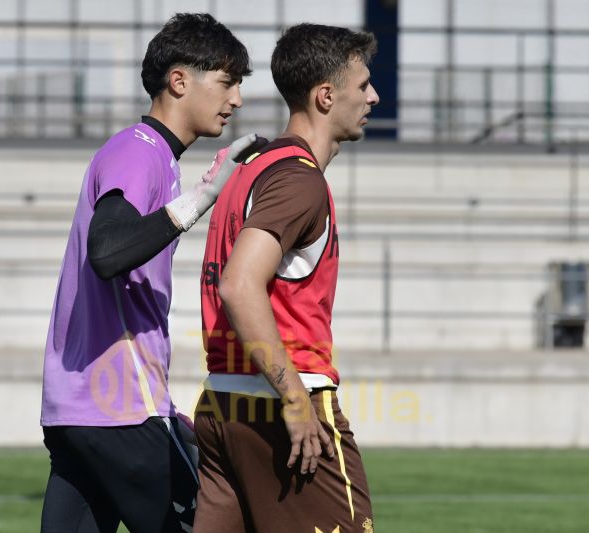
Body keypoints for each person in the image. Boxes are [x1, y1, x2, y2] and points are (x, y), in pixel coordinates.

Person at [39, 12, 265, 533]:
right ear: (179, 80)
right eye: (227, 82)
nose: (237, 100)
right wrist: (201, 200)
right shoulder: (140, 152)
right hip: (120, 408)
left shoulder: (150, 156)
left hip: (80, 409)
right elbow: (107, 252)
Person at [194, 23, 379, 533]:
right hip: (281, 403)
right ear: (325, 96)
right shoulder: (299, 180)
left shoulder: (251, 168)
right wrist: (295, 399)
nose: (373, 97)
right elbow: (238, 284)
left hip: (221, 404)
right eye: (363, 85)